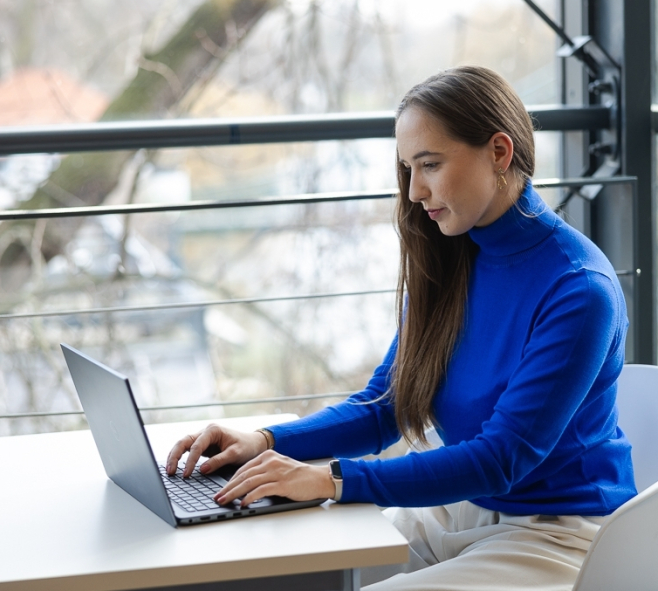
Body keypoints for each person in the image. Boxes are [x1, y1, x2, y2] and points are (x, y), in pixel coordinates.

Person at [166, 66, 636, 590]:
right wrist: (267, 440)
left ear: (499, 153)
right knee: (305, 573)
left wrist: (331, 479)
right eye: (408, 168)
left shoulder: (578, 289)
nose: (414, 191)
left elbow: (501, 459)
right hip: (464, 507)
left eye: (430, 165)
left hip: (559, 533)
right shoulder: (456, 255)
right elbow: (386, 406)